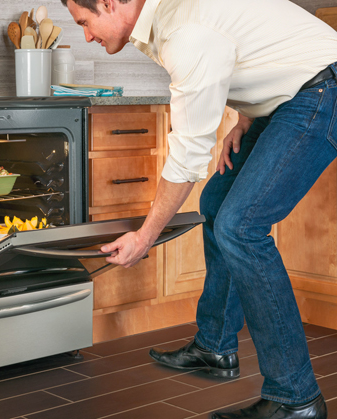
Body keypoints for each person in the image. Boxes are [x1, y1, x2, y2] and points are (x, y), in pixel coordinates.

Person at [60, 0, 337, 417]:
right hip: (291, 93)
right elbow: (249, 49)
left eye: (85, 22)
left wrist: (145, 236)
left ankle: (295, 398)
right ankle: (216, 346)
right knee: (216, 204)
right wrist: (246, 116)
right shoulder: (166, 21)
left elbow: (187, 155)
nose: (85, 35)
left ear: (111, 3)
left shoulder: (184, 32)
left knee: (240, 227)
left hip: (321, 91)